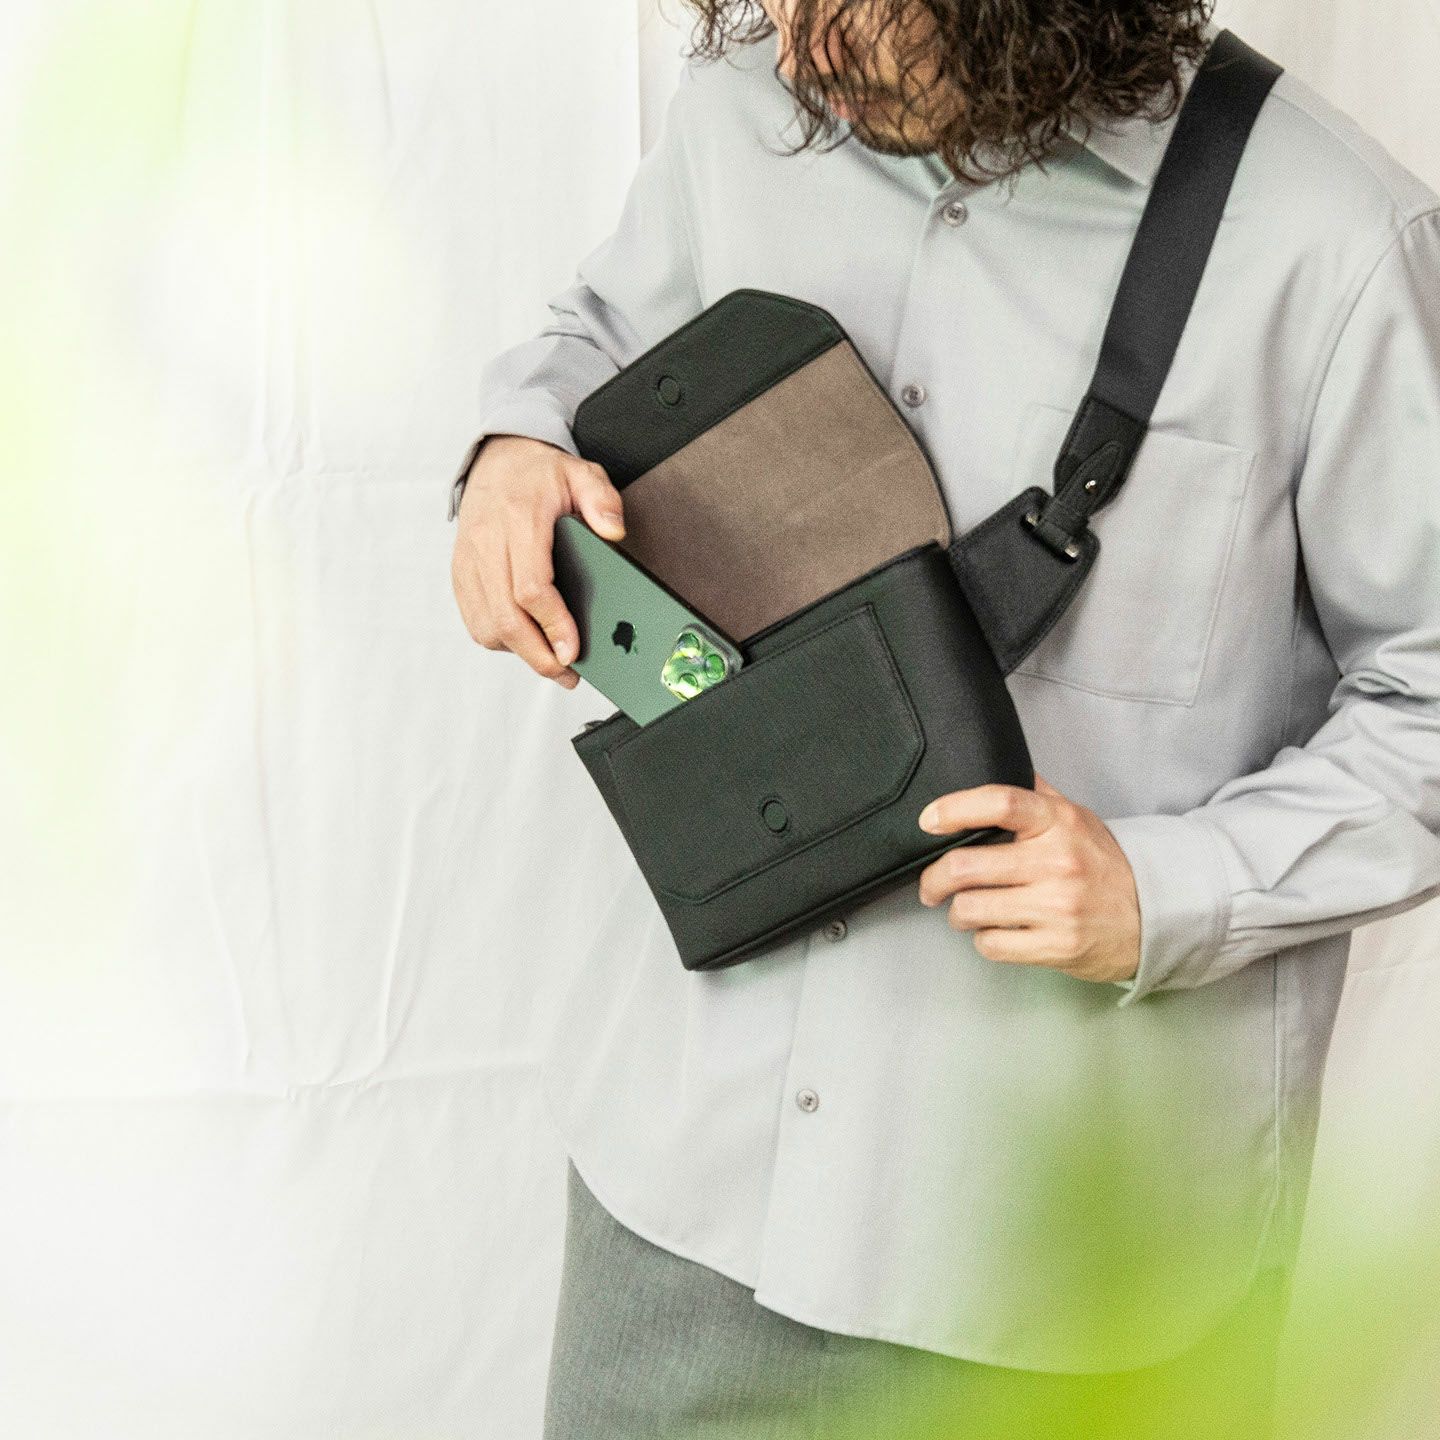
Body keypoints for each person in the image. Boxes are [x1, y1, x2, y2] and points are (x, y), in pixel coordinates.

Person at [447, 2, 1440, 1435]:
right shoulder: (747, 99)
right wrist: (515, 449)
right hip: (682, 1201)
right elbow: (597, 338)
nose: (798, 42)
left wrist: (1169, 889)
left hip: (1071, 1284)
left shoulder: (1332, 242)